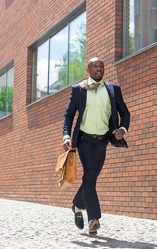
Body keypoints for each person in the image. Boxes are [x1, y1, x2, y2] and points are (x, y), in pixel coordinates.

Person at [62, 57, 130, 235]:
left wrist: (122, 128)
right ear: (88, 69)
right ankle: (94, 219)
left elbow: (124, 112)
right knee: (90, 173)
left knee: (91, 178)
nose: (99, 69)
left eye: (102, 66)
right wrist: (66, 135)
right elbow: (69, 115)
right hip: (84, 139)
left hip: (103, 141)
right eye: (95, 66)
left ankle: (77, 205)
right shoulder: (78, 89)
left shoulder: (113, 89)